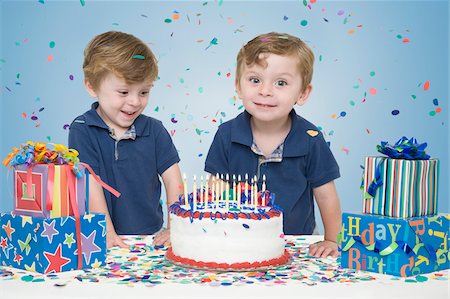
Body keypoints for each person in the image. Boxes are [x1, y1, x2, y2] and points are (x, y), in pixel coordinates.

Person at [204, 32, 342, 258]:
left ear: (303, 93)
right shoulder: (227, 134)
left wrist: (332, 240)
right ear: (238, 86)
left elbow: (326, 195)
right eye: (255, 80)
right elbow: (215, 189)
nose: (265, 91)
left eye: (281, 83)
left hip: (296, 242)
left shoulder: (311, 138)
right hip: (239, 240)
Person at [69, 31, 182, 248]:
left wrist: (175, 226)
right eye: (123, 92)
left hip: (150, 238)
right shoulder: (82, 129)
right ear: (92, 86)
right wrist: (106, 232)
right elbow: (90, 183)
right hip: (102, 236)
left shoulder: (155, 130)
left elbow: (173, 179)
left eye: (143, 92)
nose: (134, 102)